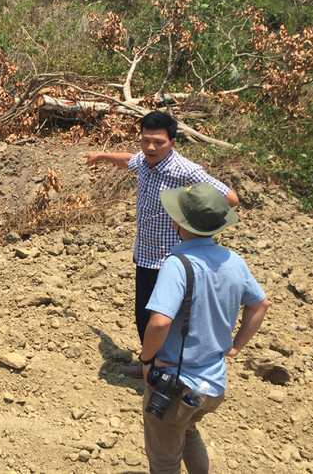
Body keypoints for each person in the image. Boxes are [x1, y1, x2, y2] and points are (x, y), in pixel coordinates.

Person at [82, 110, 239, 377]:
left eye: (158, 142)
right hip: (145, 254)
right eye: (145, 140)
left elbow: (230, 198)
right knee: (144, 315)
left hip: (172, 259)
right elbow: (129, 161)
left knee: (165, 319)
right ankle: (151, 365)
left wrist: (198, 225)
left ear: (173, 142)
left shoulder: (186, 171)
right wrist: (103, 157)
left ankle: (166, 371)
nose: (151, 147)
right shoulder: (144, 161)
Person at [137, 182, 269, 474]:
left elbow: (159, 322)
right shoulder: (234, 261)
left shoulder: (177, 264)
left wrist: (146, 361)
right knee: (187, 432)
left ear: (178, 222)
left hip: (175, 385)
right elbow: (260, 304)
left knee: (164, 461)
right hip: (212, 386)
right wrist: (235, 346)